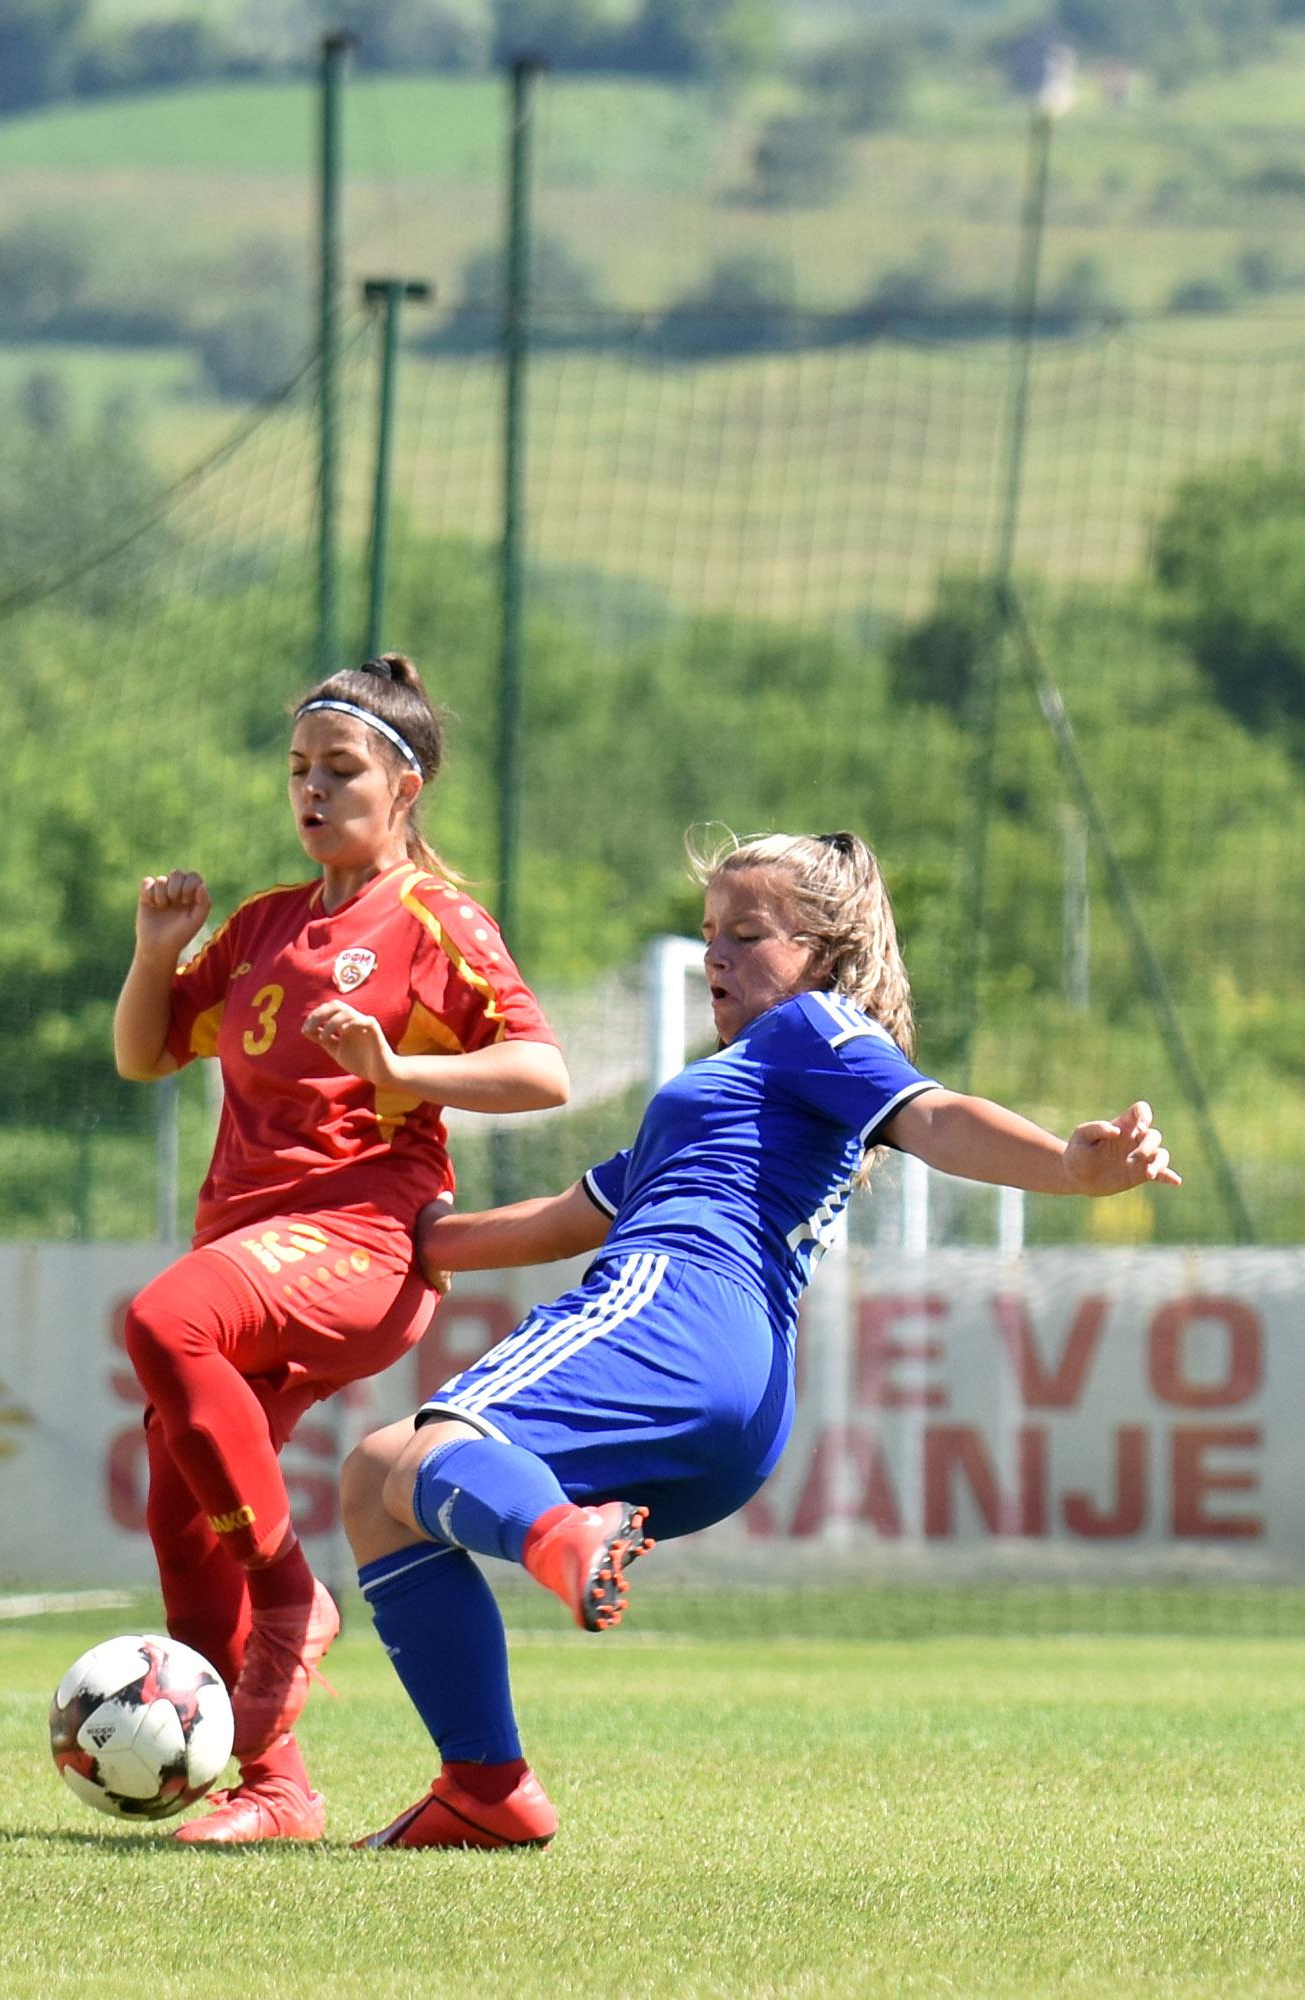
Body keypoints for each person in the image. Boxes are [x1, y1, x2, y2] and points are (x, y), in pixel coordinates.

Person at [341, 829, 1181, 1851]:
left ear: (825, 956)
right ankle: (485, 1786)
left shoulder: (812, 1027)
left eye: (748, 933)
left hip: (674, 1304)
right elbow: (582, 1207)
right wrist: (428, 1241)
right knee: (378, 1483)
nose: (717, 958)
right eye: (709, 935)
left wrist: (1066, 1165)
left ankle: (565, 1532)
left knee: (423, 1452)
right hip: (742, 1400)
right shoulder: (728, 1092)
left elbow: (937, 1116)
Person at [110, 654, 571, 1845]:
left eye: (342, 769)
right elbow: (148, 1053)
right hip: (252, 1245)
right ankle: (274, 1784)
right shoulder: (268, 920)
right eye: (299, 770)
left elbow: (542, 1067)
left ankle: (290, 1599)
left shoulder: (431, 918)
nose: (312, 790)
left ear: (405, 784)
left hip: (361, 1242)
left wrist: (400, 1068)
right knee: (180, 1507)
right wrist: (160, 947)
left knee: (166, 1320)